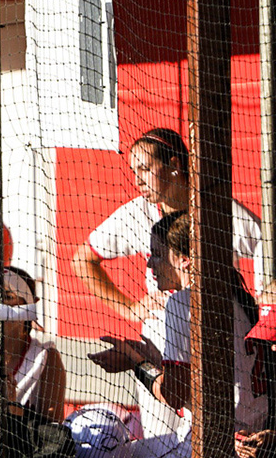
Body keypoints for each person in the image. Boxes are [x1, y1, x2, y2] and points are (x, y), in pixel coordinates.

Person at [89, 211, 264, 458]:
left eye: (158, 255)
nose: (150, 263)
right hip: (252, 450)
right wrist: (148, 356)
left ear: (185, 260)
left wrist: (135, 362)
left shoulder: (183, 301)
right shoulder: (238, 297)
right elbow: (210, 377)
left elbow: (174, 393)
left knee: (104, 457)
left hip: (209, 452)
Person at [71, 128, 259, 326]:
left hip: (216, 333)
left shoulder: (217, 210)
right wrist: (130, 309)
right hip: (160, 337)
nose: (138, 181)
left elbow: (267, 248)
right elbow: (82, 261)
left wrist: (265, 304)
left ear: (174, 165)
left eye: (145, 169)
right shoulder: (136, 212)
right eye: (134, 172)